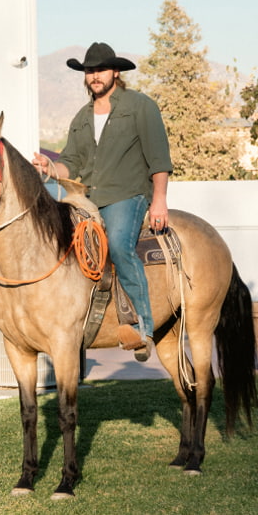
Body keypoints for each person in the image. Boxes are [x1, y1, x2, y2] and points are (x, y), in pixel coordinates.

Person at [30, 42, 173, 362]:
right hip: (86, 199)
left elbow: (159, 158)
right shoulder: (82, 118)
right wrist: (48, 168)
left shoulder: (140, 106)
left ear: (116, 72)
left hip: (127, 195)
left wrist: (159, 201)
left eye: (100, 70)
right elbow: (70, 164)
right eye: (89, 71)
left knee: (120, 245)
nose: (94, 76)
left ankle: (143, 327)